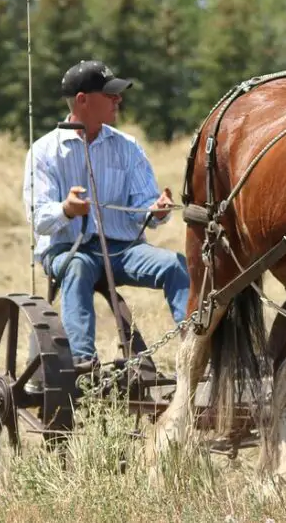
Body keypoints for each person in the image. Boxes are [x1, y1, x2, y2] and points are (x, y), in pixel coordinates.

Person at [22, 60, 190, 368]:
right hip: (66, 249)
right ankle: (82, 361)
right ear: (83, 100)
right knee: (78, 266)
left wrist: (155, 210)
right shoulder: (44, 152)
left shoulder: (128, 147)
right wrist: (66, 210)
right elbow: (38, 218)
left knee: (175, 265)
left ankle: (196, 353)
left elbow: (143, 209)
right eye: (110, 94)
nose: (118, 100)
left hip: (122, 249)